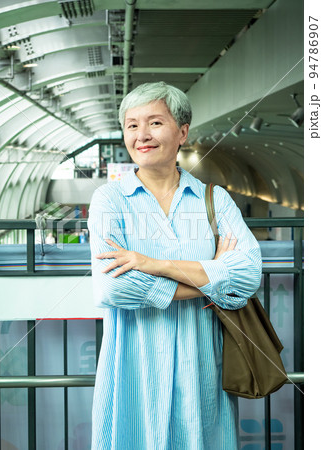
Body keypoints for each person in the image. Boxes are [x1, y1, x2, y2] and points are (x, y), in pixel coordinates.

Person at [88, 82, 262, 449]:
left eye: (154, 123)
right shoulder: (110, 200)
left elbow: (246, 276)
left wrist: (155, 264)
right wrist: (209, 277)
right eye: (132, 125)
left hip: (201, 367)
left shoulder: (214, 200)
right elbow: (112, 287)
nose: (142, 135)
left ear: (182, 132)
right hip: (132, 366)